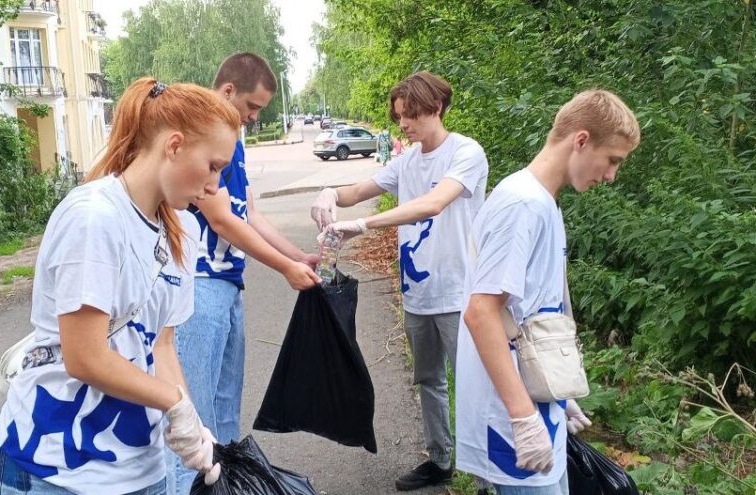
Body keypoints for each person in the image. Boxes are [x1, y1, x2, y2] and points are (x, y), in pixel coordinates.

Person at [0, 79, 241, 494]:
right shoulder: (95, 218)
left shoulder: (185, 231)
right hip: (55, 468)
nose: (215, 186)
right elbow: (85, 357)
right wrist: (171, 401)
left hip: (140, 470)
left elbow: (160, 345)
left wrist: (190, 424)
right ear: (174, 145)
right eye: (213, 166)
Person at [310, 71, 489, 491]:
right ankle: (440, 460)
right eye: (399, 117)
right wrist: (330, 194)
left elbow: (433, 203)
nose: (403, 125)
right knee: (428, 380)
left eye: (410, 116)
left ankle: (486, 479)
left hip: (460, 293)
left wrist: (363, 225)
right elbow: (358, 189)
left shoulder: (466, 153)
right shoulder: (407, 159)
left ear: (437, 108)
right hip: (417, 294)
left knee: (476, 386)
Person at [456, 89, 640, 494]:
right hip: (511, 424)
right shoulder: (522, 205)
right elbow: (481, 312)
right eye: (612, 160)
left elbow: (530, 312)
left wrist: (554, 391)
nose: (611, 176)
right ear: (581, 140)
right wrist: (523, 416)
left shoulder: (545, 203)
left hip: (538, 408)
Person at [167, 52, 321, 494]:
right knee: (190, 422)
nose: (254, 118)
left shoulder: (236, 142)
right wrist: (284, 269)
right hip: (199, 285)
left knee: (223, 415)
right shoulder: (207, 141)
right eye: (252, 107)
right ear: (228, 90)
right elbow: (220, 218)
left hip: (227, 286)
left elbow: (249, 212)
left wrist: (298, 257)